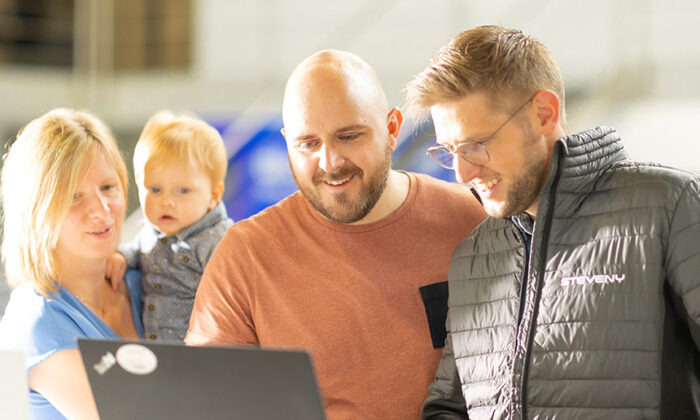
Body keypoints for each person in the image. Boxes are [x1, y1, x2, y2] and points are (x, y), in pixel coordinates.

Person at [404, 25, 700, 419]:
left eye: (476, 145)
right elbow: (448, 407)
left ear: (544, 113)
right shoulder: (474, 254)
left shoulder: (668, 205)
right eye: (449, 150)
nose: (461, 172)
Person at [185, 49, 486, 420]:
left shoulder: (472, 221)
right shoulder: (246, 256)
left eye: (348, 136)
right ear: (287, 143)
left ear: (393, 128)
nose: (330, 162)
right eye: (308, 144)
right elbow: (205, 403)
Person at [0, 108, 144, 420]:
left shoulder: (141, 280)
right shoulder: (35, 321)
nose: (102, 210)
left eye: (108, 187)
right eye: (74, 197)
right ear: (37, 210)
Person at [106, 111, 233, 342]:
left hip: (202, 353)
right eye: (154, 190)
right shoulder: (152, 232)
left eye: (182, 191)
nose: (166, 201)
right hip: (159, 352)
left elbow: (234, 298)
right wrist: (121, 256)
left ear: (213, 195)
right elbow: (137, 249)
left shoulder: (216, 240)